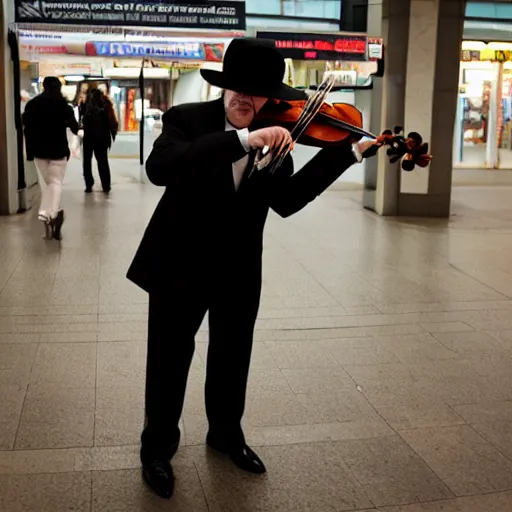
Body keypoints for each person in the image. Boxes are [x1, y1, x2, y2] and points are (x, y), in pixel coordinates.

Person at [127, 38, 377, 499]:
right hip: (177, 263)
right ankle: (157, 449)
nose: (246, 98)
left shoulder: (280, 132)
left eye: (257, 91)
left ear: (271, 96)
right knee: (168, 359)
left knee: (232, 354)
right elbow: (160, 167)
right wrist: (243, 140)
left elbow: (286, 200)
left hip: (239, 268)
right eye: (237, 88)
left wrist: (348, 154)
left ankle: (226, 435)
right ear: (223, 87)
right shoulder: (188, 120)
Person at [23, 76, 78, 240]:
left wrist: (30, 150)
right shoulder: (63, 105)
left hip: (39, 152)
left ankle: (46, 215)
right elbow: (74, 127)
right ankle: (51, 213)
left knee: (48, 183)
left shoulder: (32, 105)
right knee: (55, 182)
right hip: (58, 150)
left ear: (43, 86)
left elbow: (26, 128)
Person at [79, 88, 118, 194]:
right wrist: (112, 134)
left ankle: (88, 184)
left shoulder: (85, 105)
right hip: (102, 138)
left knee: (87, 161)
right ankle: (106, 185)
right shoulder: (106, 105)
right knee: (102, 161)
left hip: (88, 137)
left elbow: (81, 120)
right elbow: (113, 121)